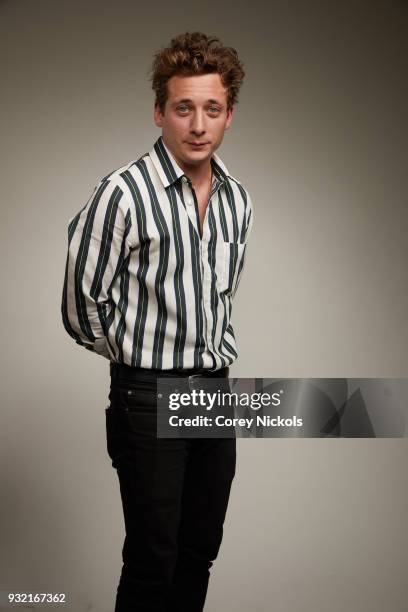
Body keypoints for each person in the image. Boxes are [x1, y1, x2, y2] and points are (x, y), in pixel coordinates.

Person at [61, 31, 253, 612]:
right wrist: (139, 357)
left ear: (228, 117)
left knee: (201, 550)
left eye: (211, 109)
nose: (198, 124)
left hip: (216, 395)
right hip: (149, 395)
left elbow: (219, 298)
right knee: (153, 560)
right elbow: (80, 305)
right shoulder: (122, 193)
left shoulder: (238, 199)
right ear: (159, 112)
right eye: (183, 107)